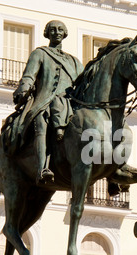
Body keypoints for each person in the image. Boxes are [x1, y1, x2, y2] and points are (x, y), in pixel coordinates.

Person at [12, 20, 84, 185]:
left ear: (64, 33)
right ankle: (42, 168)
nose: (57, 32)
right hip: (46, 100)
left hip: (70, 103)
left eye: (60, 29)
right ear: (47, 33)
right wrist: (24, 89)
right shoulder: (40, 54)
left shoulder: (73, 61)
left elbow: (84, 82)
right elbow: (29, 75)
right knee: (41, 123)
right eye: (52, 29)